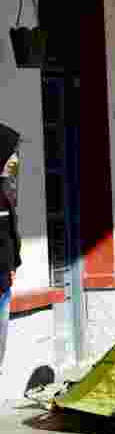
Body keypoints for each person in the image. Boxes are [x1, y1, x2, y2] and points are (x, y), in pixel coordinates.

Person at [0, 124, 21, 377]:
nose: (14, 160)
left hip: (4, 284)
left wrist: (14, 264)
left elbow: (8, 234)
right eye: (9, 153)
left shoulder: (5, 191)